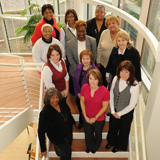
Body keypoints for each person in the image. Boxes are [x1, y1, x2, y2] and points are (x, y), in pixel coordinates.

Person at [105, 60, 139, 153]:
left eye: (126, 72)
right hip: (114, 109)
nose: (123, 74)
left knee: (124, 130)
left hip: (126, 112)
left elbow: (132, 104)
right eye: (121, 71)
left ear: (131, 72)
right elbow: (111, 94)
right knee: (112, 127)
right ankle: (111, 142)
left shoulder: (134, 84)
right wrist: (112, 111)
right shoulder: (116, 78)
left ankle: (119, 146)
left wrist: (119, 113)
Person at [38, 88, 75, 159]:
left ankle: (59, 152)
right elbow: (41, 131)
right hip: (58, 138)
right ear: (48, 99)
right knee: (66, 155)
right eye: (53, 98)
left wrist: (72, 123)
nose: (55, 100)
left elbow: (68, 113)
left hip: (68, 134)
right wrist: (43, 149)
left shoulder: (62, 104)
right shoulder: (45, 113)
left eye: (57, 97)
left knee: (67, 148)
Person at [80, 69, 110, 153]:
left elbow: (104, 107)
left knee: (98, 134)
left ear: (99, 80)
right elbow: (82, 101)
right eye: (91, 78)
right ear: (88, 79)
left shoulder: (104, 91)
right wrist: (85, 116)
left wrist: (95, 118)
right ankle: (89, 146)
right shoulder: (84, 87)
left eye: (95, 79)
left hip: (99, 118)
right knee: (88, 133)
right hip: (86, 116)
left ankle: (95, 147)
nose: (92, 81)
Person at [67, 20, 97, 95]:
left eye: (83, 31)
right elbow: (70, 59)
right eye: (79, 31)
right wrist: (78, 70)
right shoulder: (70, 43)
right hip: (75, 71)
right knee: (78, 93)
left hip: (90, 71)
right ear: (76, 31)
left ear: (86, 30)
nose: (81, 33)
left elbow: (94, 56)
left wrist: (89, 69)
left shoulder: (92, 41)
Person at [73, 49, 98, 129]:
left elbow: (95, 86)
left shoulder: (95, 70)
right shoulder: (78, 67)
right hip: (79, 95)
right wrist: (77, 93)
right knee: (81, 109)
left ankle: (89, 124)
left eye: (87, 58)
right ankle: (81, 122)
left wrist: (84, 96)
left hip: (89, 97)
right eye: (83, 58)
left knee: (89, 111)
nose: (85, 61)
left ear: (91, 59)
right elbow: (75, 81)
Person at [97, 16, 123, 87]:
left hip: (116, 66)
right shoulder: (104, 33)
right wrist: (98, 61)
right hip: (103, 64)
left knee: (114, 85)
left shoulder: (123, 34)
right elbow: (99, 47)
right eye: (109, 24)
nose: (111, 25)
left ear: (118, 23)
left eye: (113, 23)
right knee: (102, 84)